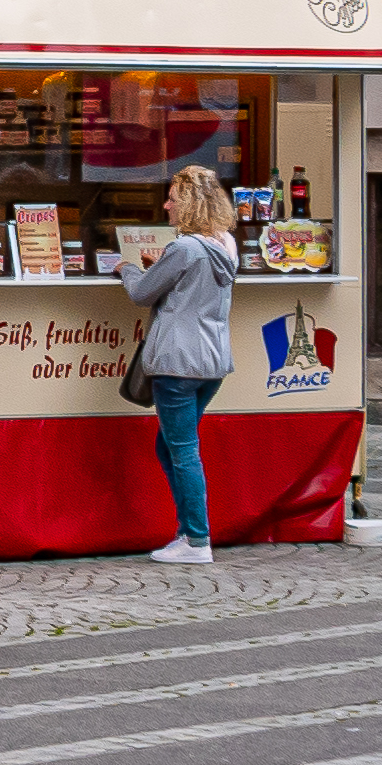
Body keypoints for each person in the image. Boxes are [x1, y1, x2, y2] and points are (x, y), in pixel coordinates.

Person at [121, 165, 240, 565]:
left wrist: (128, 268)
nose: (166, 204)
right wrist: (161, 265)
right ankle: (187, 532)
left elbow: (141, 293)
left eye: (173, 197)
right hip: (212, 361)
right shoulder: (225, 245)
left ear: (188, 204)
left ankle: (196, 539)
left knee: (184, 450)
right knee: (170, 445)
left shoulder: (184, 248)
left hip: (176, 362)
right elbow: (192, 283)